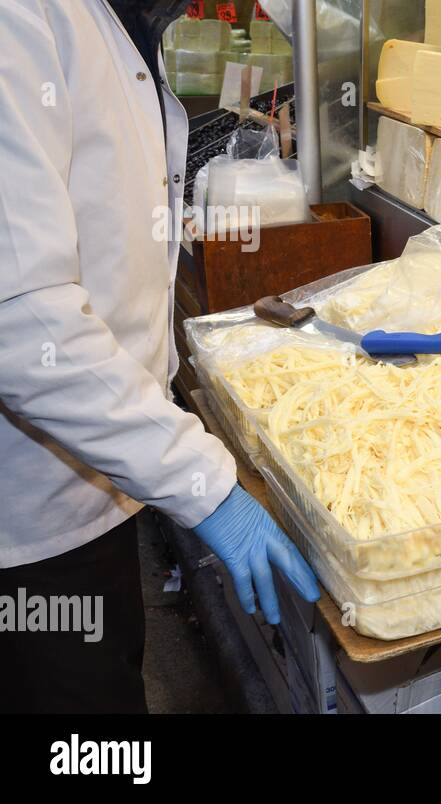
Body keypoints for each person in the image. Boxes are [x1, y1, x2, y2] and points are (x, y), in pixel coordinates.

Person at [0, 0, 319, 714]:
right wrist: (204, 487)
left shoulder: (122, 20)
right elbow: (21, 321)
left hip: (93, 485)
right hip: (25, 533)